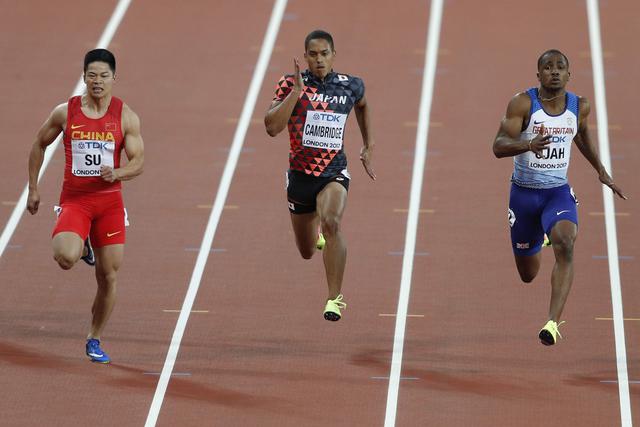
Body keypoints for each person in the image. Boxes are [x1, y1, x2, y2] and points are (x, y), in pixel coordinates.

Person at [493, 49, 626, 345]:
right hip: (524, 196)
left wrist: (601, 170)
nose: (554, 71)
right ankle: (539, 236)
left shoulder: (580, 106)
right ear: (538, 74)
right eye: (548, 67)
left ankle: (552, 322)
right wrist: (528, 144)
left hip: (557, 193)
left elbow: (581, 134)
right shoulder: (523, 103)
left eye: (560, 67)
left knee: (566, 242)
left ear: (569, 74)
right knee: (528, 274)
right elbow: (498, 145)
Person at [27, 49, 144, 362]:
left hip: (109, 205)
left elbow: (139, 161)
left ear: (113, 79)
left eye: (104, 76)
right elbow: (39, 143)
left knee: (109, 277)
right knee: (64, 256)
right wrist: (33, 188)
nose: (97, 81)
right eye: (91, 75)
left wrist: (117, 172)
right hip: (76, 201)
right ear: (84, 77)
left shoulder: (125, 115)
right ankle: (82, 248)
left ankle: (94, 337)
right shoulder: (66, 113)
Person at [264, 30, 375, 321]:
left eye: (324, 53)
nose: (319, 59)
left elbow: (362, 105)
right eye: (313, 54)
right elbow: (272, 127)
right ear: (305, 58)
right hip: (300, 178)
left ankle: (333, 299)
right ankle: (316, 233)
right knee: (306, 252)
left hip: (333, 173)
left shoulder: (351, 85)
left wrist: (368, 143)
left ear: (333, 55)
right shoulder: (289, 83)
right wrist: (297, 92)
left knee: (333, 222)